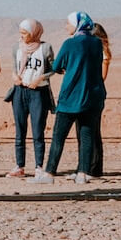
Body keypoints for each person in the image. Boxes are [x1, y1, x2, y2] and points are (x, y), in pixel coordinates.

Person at [33, 12, 106, 183]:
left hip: (71, 96)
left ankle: (50, 172)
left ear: (77, 24)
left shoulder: (70, 43)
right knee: (87, 134)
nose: (66, 26)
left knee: (59, 135)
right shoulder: (97, 43)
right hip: (93, 96)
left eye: (68, 23)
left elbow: (57, 65)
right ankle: (83, 173)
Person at [6, 19, 54, 177]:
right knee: (20, 131)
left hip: (38, 93)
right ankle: (19, 166)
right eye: (20, 33)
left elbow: (54, 69)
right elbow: (14, 67)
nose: (22, 36)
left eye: (25, 33)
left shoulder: (45, 48)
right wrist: (14, 76)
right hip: (20, 92)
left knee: (38, 131)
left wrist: (39, 79)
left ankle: (39, 166)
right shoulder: (16, 47)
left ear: (34, 33)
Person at [89, 22, 113, 177]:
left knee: (94, 131)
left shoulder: (103, 53)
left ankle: (95, 166)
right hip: (91, 90)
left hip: (94, 92)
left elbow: (103, 75)